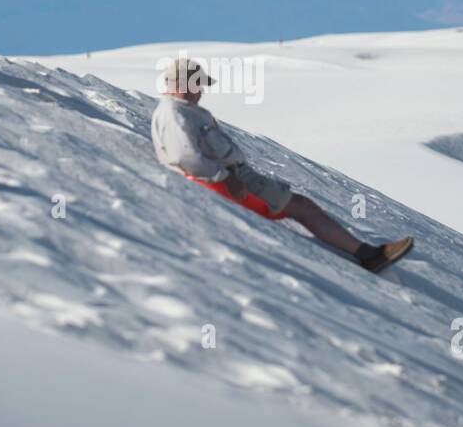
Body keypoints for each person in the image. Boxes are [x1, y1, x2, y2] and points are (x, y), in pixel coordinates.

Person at [150, 58, 414, 272]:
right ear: (179, 83)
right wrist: (225, 178)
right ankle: (369, 255)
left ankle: (367, 252)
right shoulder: (175, 113)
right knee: (302, 207)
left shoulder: (183, 111)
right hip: (224, 184)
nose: (200, 90)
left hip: (231, 180)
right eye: (196, 84)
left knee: (301, 205)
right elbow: (186, 158)